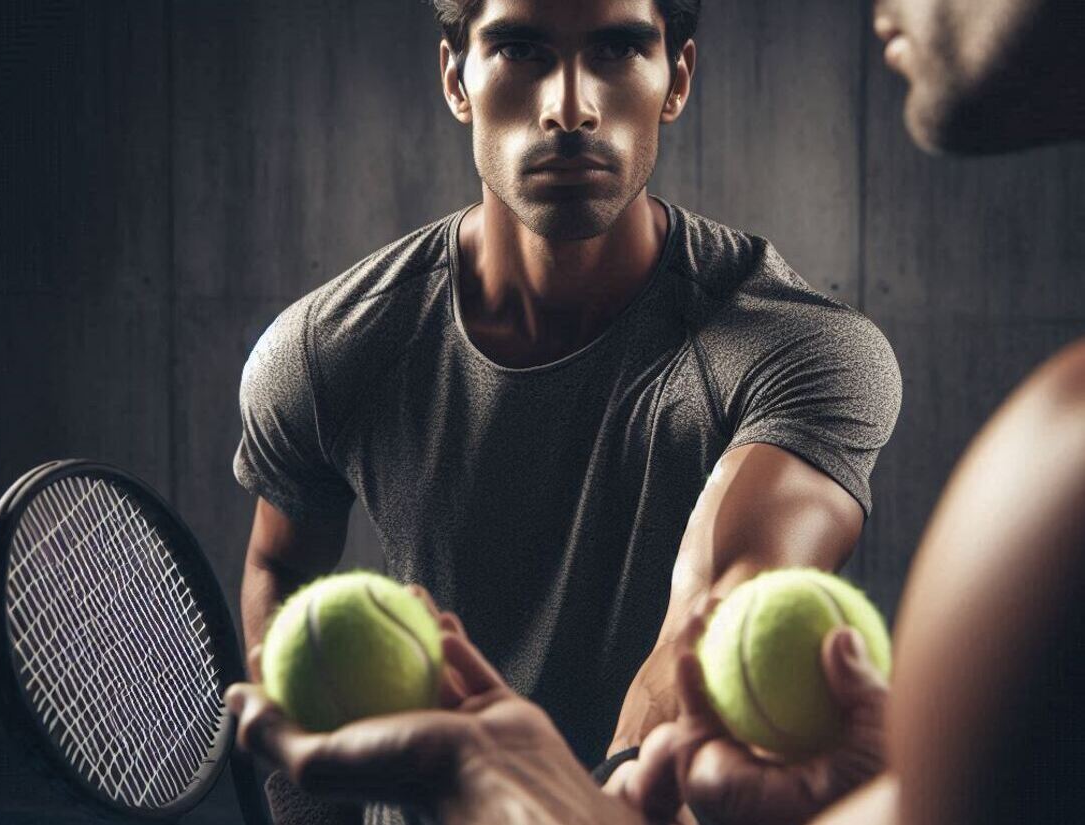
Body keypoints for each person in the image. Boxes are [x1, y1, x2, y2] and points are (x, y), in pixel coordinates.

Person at [229, 0, 1085, 824]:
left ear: (676, 78)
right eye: (521, 50)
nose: (571, 109)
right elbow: (281, 567)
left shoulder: (796, 350)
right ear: (456, 78)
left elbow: (711, 614)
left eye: (616, 49)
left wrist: (605, 792)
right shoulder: (331, 345)